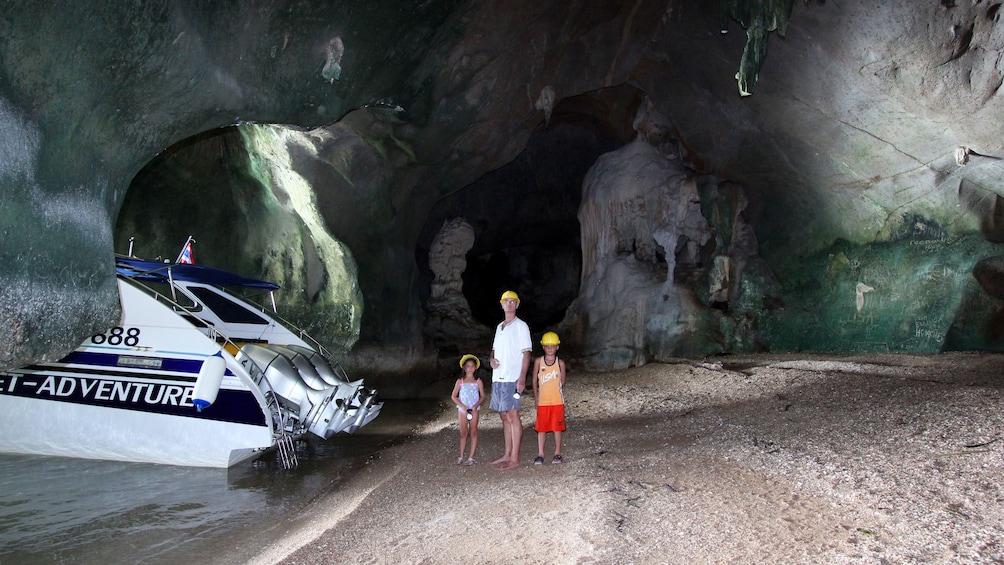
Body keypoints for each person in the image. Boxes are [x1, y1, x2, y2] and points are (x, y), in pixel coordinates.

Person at [489, 290, 532, 470]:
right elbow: (493, 349)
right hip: (498, 378)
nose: (509, 304)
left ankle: (514, 458)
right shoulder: (500, 327)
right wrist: (491, 359)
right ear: (501, 304)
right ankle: (507, 453)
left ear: (517, 305)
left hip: (512, 378)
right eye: (506, 301)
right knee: (503, 415)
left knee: (512, 415)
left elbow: (527, 352)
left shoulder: (521, 326)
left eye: (513, 301)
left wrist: (521, 378)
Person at [532, 331, 567, 465]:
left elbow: (562, 382)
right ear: (543, 347)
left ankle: (557, 453)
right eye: (547, 346)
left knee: (557, 428)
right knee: (541, 428)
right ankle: (540, 453)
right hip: (543, 401)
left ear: (557, 347)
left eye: (553, 346)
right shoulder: (538, 362)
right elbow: (534, 381)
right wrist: (536, 398)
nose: (550, 348)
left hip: (557, 401)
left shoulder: (560, 363)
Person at [450, 354, 485, 466]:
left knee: (473, 431)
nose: (470, 368)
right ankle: (461, 456)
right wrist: (462, 406)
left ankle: (471, 457)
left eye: (472, 366)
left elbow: (483, 396)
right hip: (463, 410)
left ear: (475, 368)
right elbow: (453, 396)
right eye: (468, 366)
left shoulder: (478, 381)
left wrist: (475, 406)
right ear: (464, 368)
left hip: (474, 410)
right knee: (463, 433)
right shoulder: (460, 381)